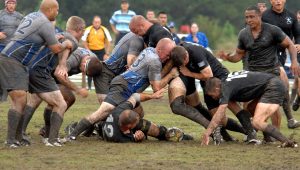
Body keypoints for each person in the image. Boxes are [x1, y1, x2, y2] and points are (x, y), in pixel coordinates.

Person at [65, 38, 177, 141]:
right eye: (167, 55)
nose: (168, 58)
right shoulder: (155, 61)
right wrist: (171, 74)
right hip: (122, 87)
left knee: (139, 114)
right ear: (160, 49)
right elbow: (156, 88)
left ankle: (146, 133)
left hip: (127, 87)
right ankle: (73, 134)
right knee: (102, 112)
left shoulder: (150, 50)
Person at [0, 0, 74, 148]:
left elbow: (38, 37)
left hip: (11, 57)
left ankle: (18, 137)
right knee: (19, 99)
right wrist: (65, 44)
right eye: (57, 10)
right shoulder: (45, 23)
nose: (57, 13)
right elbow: (55, 49)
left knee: (21, 99)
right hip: (12, 60)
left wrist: (53, 38)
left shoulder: (32, 16)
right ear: (51, 9)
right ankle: (10, 140)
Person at [219, 5, 300, 129]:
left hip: (271, 72)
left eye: (252, 17)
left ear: (260, 16)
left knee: (272, 104)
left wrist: (294, 61)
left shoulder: (273, 30)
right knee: (249, 107)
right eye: (247, 17)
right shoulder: (243, 34)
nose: (249, 20)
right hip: (253, 74)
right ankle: (256, 132)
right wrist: (228, 57)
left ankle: (276, 130)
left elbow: (289, 44)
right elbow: (238, 55)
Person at [169, 44, 256, 144]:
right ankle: (232, 135)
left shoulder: (196, 53)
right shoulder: (178, 55)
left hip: (220, 78)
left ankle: (251, 132)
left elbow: (208, 75)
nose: (184, 65)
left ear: (186, 55)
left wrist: (189, 73)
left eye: (185, 62)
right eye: (182, 64)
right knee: (219, 118)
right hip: (207, 84)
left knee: (232, 105)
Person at [21, 16, 85, 147]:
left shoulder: (59, 34)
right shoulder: (73, 40)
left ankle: (20, 134)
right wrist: (78, 89)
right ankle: (51, 139)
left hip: (31, 67)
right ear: (80, 29)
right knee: (61, 104)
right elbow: (64, 57)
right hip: (40, 71)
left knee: (35, 100)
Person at [22, 47, 101, 143]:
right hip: (43, 71)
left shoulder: (94, 60)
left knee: (67, 99)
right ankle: (21, 132)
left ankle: (47, 130)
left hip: (51, 74)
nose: (83, 73)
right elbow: (58, 74)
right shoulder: (74, 58)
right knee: (36, 99)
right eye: (84, 70)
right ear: (84, 63)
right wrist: (78, 89)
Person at [201, 71, 297, 148]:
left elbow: (220, 113)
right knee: (250, 108)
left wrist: (208, 132)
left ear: (217, 89)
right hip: (272, 84)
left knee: (257, 122)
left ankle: (287, 142)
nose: (213, 98)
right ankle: (268, 138)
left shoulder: (225, 88)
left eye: (212, 95)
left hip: (273, 86)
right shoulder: (226, 82)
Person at [262, 0, 300, 118]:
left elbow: (297, 33)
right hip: (266, 53)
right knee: (281, 82)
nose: (278, 1)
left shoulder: (291, 16)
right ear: (270, 1)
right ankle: (289, 117)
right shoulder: (264, 16)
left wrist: (298, 43)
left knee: (279, 83)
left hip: (282, 53)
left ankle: (282, 114)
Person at [94, 32, 144, 104]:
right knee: (107, 107)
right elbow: (130, 61)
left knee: (136, 111)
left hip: (119, 75)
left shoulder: (142, 39)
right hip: (106, 71)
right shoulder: (137, 37)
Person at [82, 15, 112, 90]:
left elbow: (109, 42)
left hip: (101, 51)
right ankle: (89, 87)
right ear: (93, 22)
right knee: (89, 68)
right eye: (95, 22)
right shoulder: (88, 29)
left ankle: (101, 86)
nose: (97, 23)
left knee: (102, 69)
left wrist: (107, 53)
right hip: (91, 51)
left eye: (98, 22)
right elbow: (84, 41)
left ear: (100, 22)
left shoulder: (104, 30)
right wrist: (88, 51)